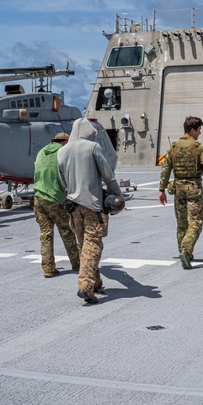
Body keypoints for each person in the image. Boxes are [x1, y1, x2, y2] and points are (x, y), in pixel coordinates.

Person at [58, 118, 125, 304]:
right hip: (92, 205)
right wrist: (119, 196)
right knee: (93, 244)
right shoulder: (92, 147)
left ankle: (96, 282)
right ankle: (85, 285)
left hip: (72, 206)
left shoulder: (61, 151)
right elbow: (108, 175)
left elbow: (62, 179)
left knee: (83, 245)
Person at [158, 116, 203, 269]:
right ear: (192, 130)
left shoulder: (173, 147)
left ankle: (183, 252)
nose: (200, 133)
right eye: (199, 130)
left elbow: (165, 170)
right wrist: (201, 169)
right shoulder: (198, 147)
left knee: (181, 223)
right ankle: (186, 249)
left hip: (177, 188)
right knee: (195, 222)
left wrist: (161, 190)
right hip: (193, 188)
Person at [32, 132, 80, 278]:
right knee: (67, 231)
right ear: (65, 141)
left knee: (45, 234)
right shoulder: (62, 152)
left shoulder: (42, 151)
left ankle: (48, 268)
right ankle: (77, 263)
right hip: (55, 198)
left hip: (38, 197)